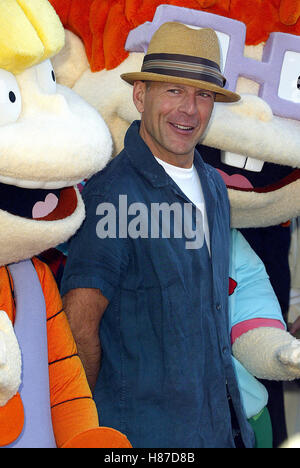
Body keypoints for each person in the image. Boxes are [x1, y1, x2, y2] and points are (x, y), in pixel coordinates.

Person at [60, 23, 285, 448]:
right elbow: (79, 321)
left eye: (203, 94)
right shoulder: (115, 194)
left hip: (219, 427)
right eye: (174, 91)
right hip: (143, 437)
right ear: (141, 95)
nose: (189, 109)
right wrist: (83, 427)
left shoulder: (214, 186)